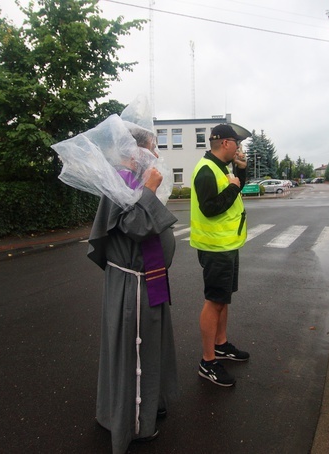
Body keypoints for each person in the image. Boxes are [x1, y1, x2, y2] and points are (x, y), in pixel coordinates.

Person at [85, 117, 178, 452]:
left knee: (148, 346)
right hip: (132, 285)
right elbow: (137, 227)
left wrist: (148, 190)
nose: (156, 155)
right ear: (136, 150)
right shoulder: (122, 181)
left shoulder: (128, 179)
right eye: (153, 147)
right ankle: (135, 424)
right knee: (135, 351)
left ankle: (148, 405)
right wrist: (151, 190)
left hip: (144, 278)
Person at [190, 123, 252, 387]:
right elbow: (210, 209)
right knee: (214, 301)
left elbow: (235, 188)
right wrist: (234, 187)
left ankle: (221, 344)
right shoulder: (206, 171)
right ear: (225, 143)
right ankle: (207, 361)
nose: (239, 147)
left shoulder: (220, 168)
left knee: (222, 299)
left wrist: (240, 172)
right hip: (215, 248)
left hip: (226, 245)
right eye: (236, 143)